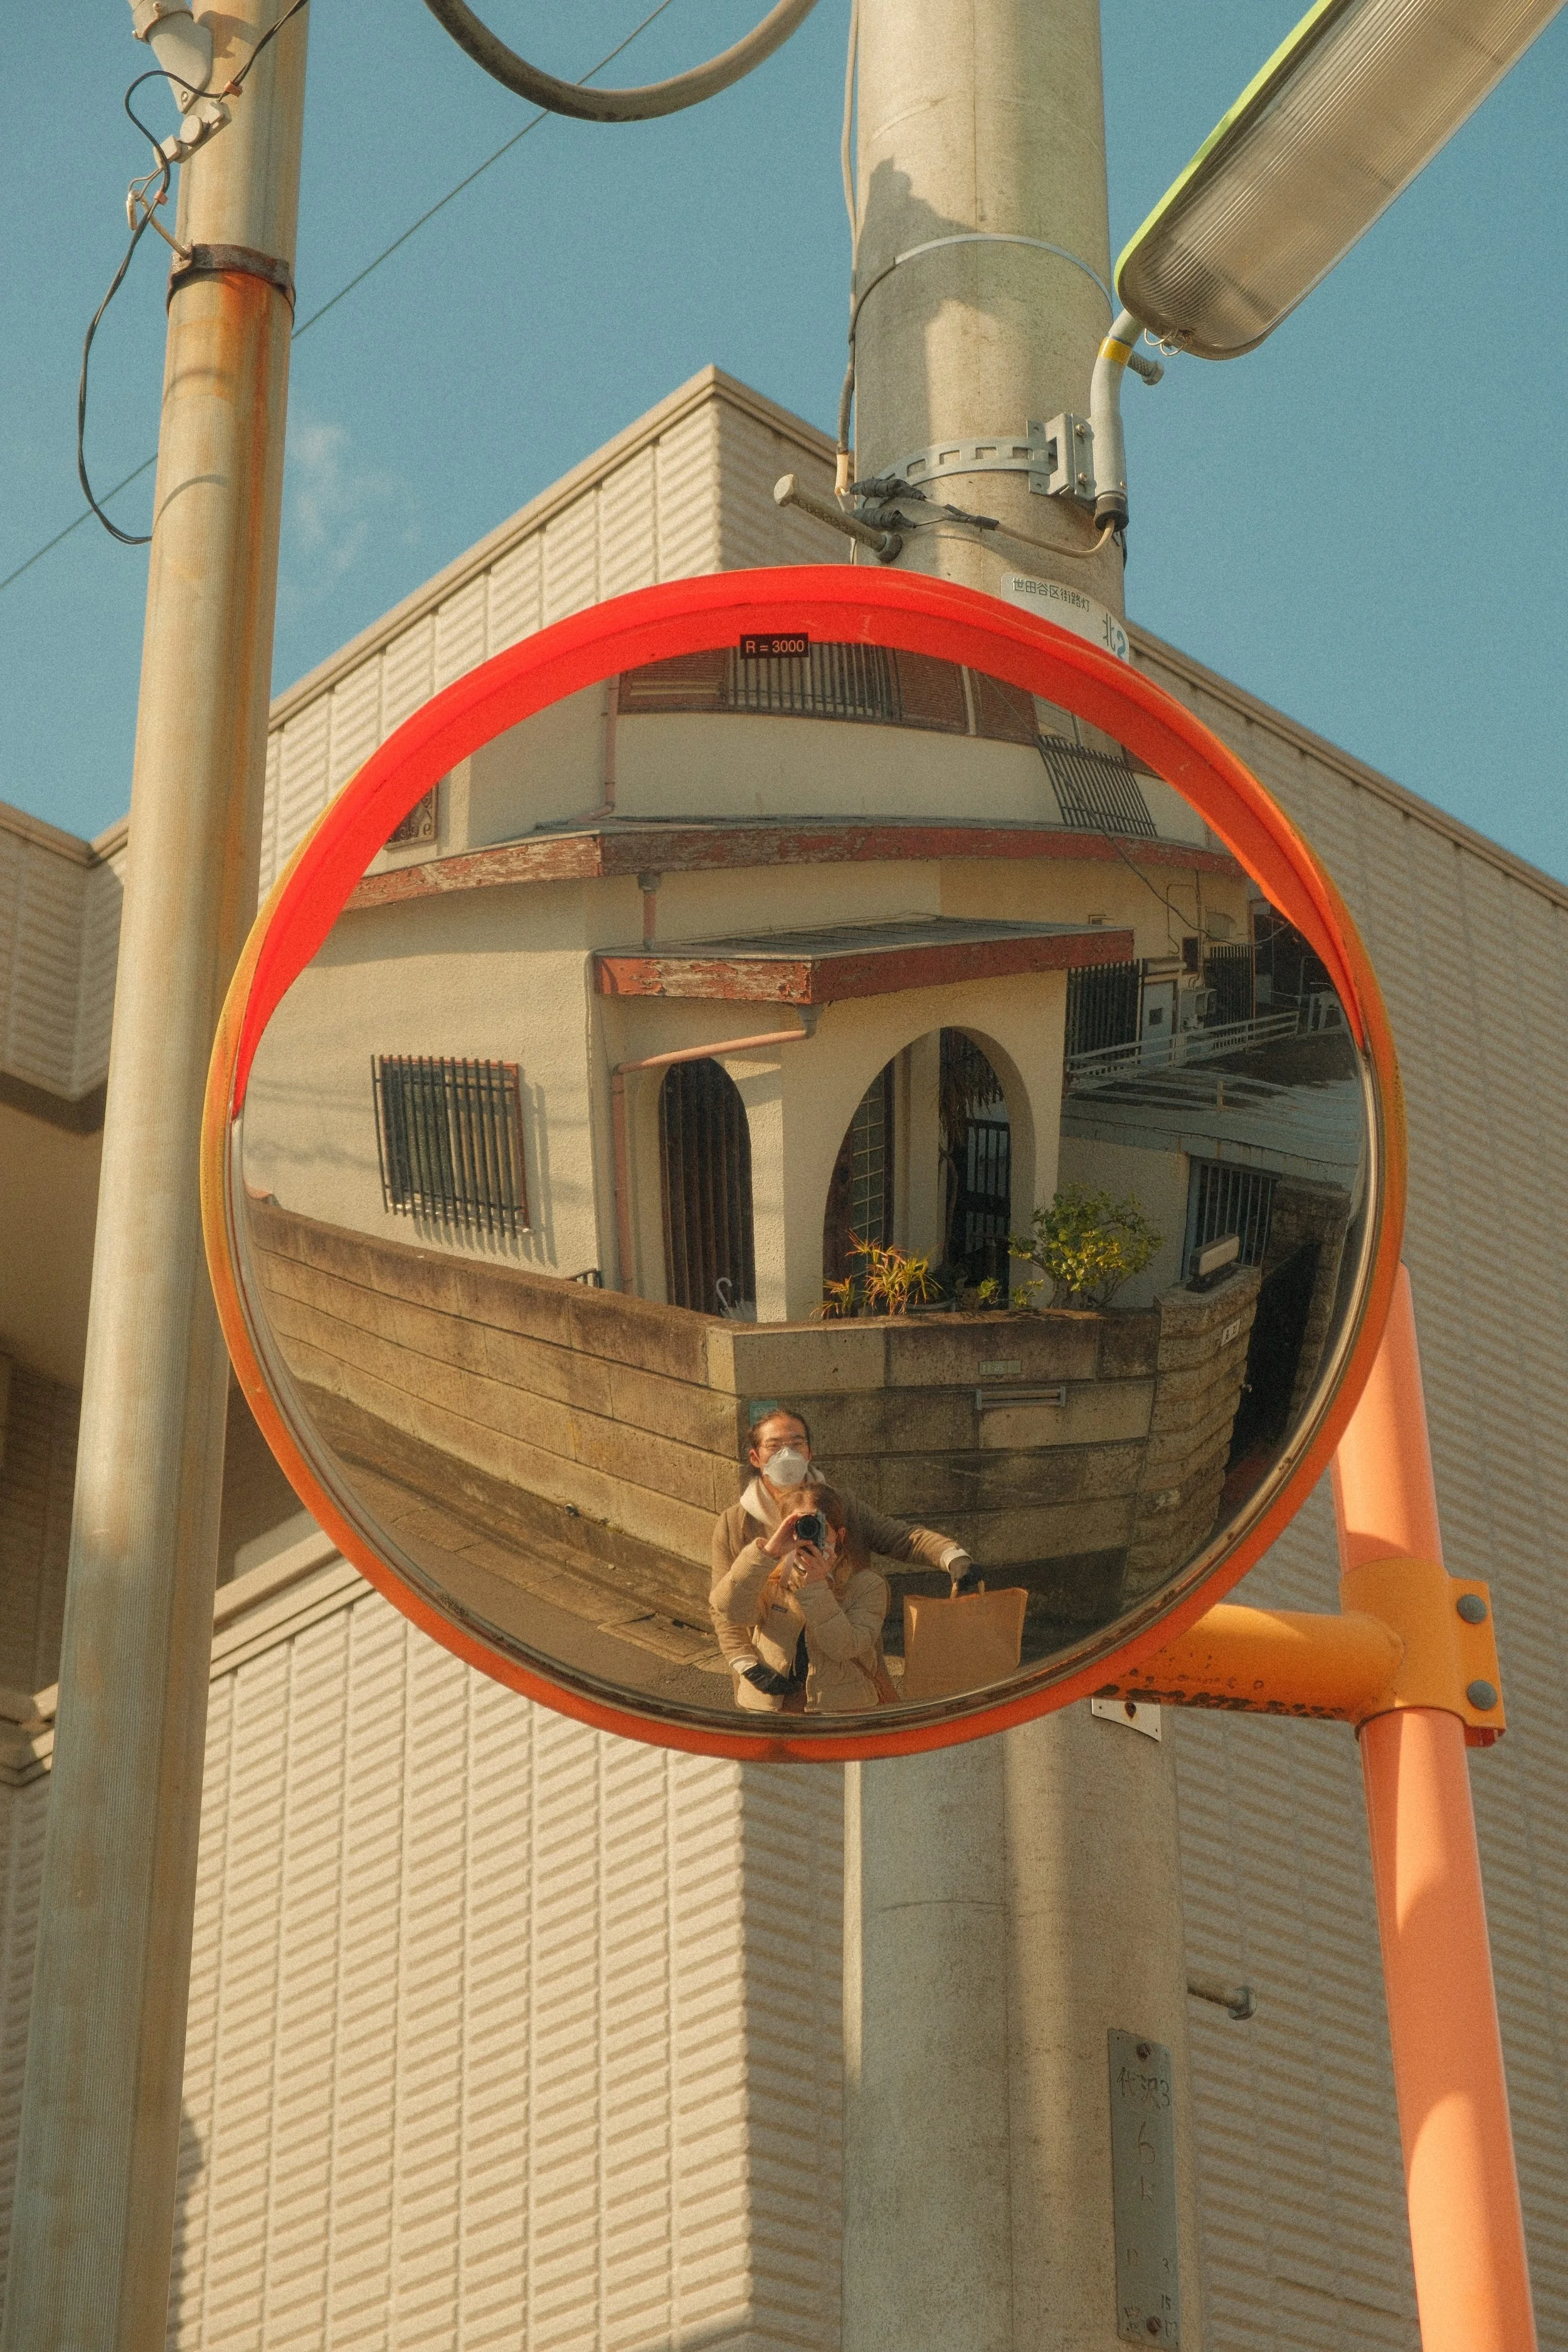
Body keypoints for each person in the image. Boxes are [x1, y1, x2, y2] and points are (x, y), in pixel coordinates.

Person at [709, 1406, 975, 1714]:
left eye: (797, 1444)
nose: (788, 1453)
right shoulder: (736, 1523)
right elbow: (724, 1606)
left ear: (810, 1452)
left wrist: (953, 1557)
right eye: (775, 1445)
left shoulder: (841, 1505)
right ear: (756, 1458)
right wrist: (745, 1662)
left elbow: (902, 1537)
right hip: (772, 1678)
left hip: (844, 1679)